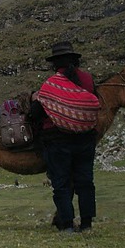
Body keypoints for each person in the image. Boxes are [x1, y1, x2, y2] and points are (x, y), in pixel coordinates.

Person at [30, 41, 97, 233]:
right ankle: (86, 224)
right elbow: (94, 103)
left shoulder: (51, 85)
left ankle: (67, 224)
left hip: (58, 141)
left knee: (61, 183)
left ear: (55, 64)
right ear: (74, 61)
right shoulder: (88, 80)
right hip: (85, 139)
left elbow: (36, 113)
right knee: (85, 181)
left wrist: (37, 99)